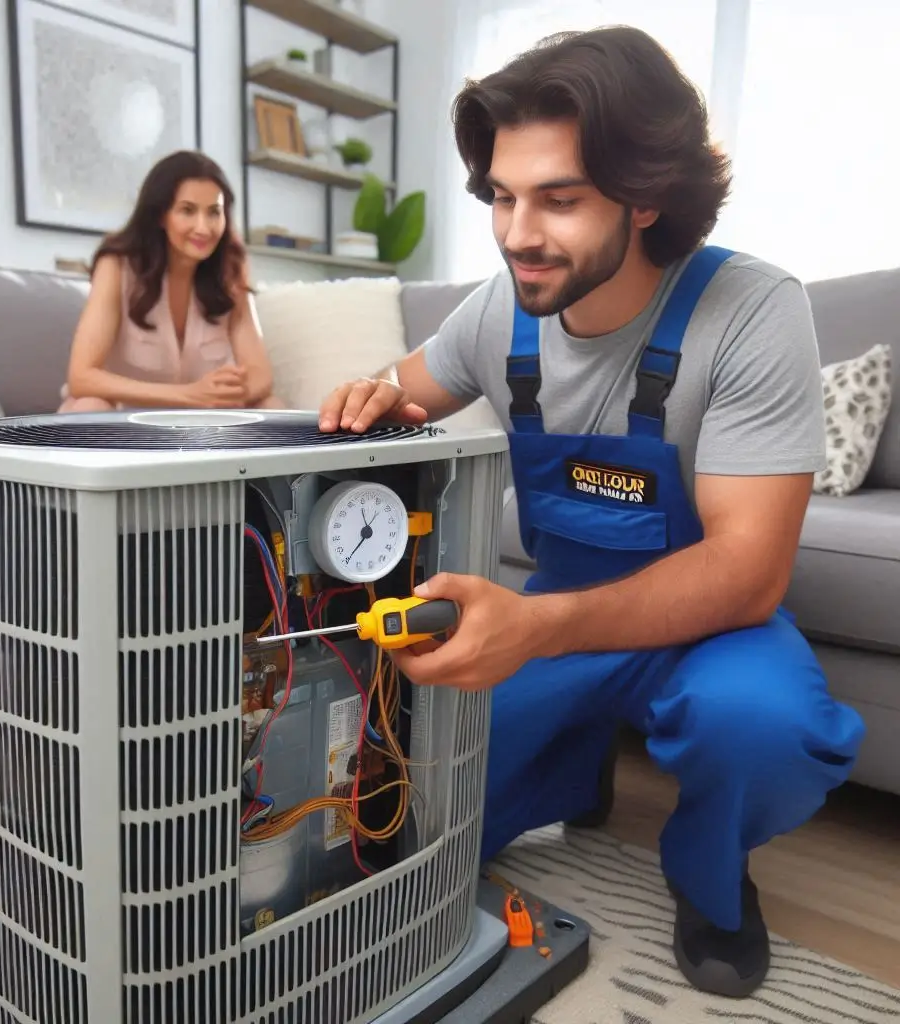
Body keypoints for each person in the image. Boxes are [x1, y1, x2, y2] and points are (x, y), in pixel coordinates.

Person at [318, 26, 865, 1000]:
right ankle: (576, 764)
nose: (517, 230)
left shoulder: (750, 309)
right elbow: (391, 393)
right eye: (501, 194)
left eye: (558, 198)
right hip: (561, 624)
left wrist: (529, 627)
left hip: (706, 627)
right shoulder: (498, 311)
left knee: (763, 729)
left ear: (645, 193)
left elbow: (746, 571)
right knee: (408, 814)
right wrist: (358, 399)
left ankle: (709, 875)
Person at [59, 150, 282, 412]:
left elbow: (261, 376)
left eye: (214, 212)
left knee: (271, 405)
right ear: (160, 215)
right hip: (122, 425)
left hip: (201, 426)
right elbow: (81, 377)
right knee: (90, 406)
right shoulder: (117, 265)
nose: (203, 227)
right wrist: (189, 395)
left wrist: (226, 393)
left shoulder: (230, 269)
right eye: (187, 211)